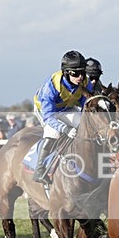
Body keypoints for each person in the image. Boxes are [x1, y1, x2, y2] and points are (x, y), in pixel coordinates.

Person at [32, 50, 89, 184]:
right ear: (66, 72)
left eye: (82, 72)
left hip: (66, 108)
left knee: (84, 125)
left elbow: (85, 105)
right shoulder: (51, 87)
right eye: (75, 73)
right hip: (46, 112)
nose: (80, 77)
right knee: (54, 133)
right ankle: (39, 169)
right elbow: (49, 117)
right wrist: (65, 129)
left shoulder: (85, 82)